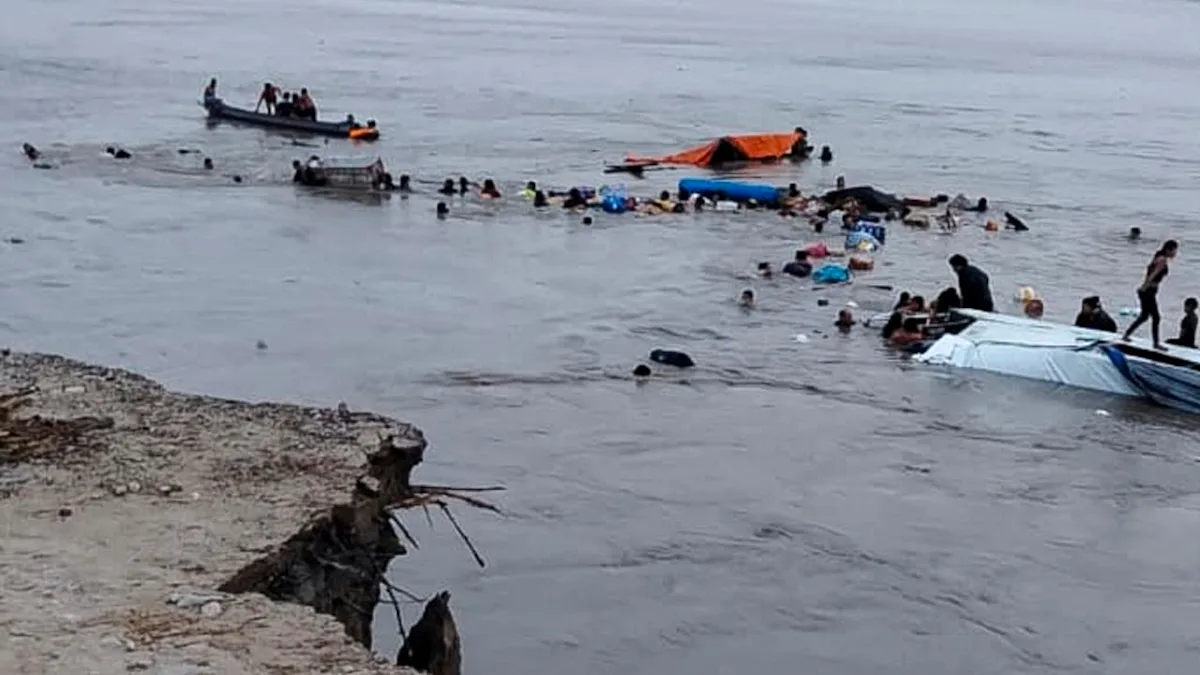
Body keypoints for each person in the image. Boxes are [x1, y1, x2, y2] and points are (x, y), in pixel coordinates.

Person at [1122, 239, 1178, 349]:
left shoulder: (1158, 257)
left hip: (1148, 291)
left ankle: (1126, 335)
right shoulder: (1162, 260)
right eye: (1174, 251)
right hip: (1148, 291)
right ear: (1168, 250)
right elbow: (1153, 275)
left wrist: (1143, 287)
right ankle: (1156, 344)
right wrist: (1144, 287)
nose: (1175, 253)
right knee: (1156, 317)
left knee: (1144, 316)